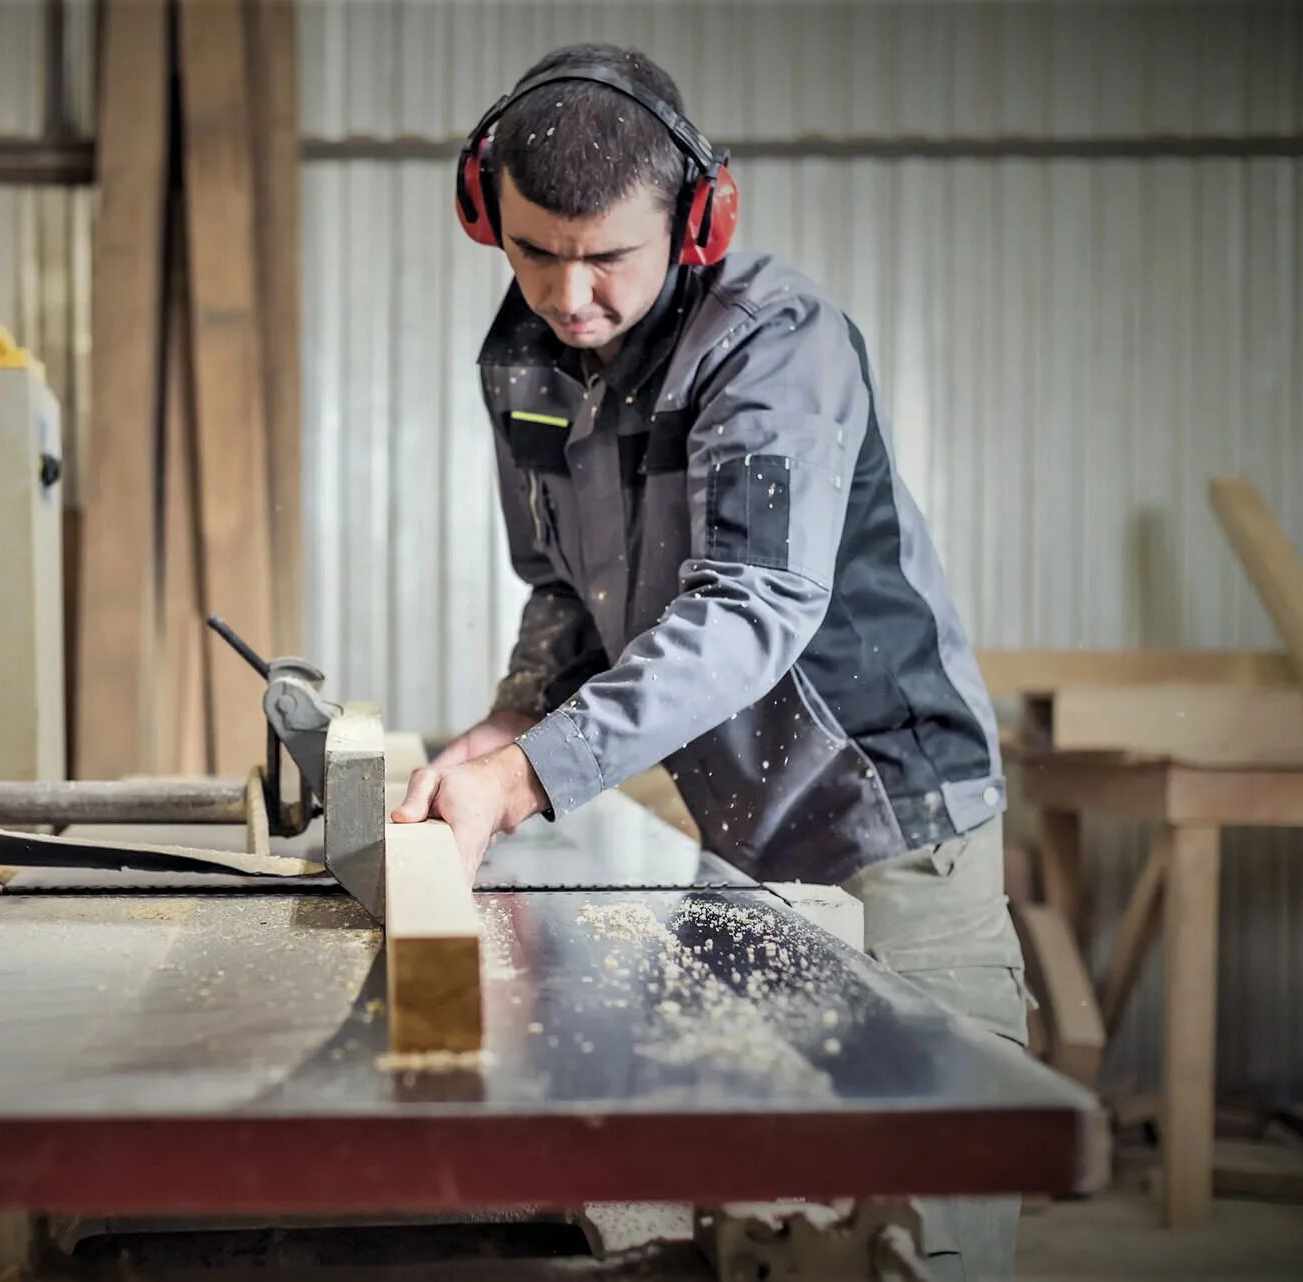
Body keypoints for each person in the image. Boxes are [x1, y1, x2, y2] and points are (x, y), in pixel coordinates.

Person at [389, 43, 1030, 1281]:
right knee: (769, 1213)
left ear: (694, 221)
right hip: (744, 836)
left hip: (893, 821)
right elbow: (565, 593)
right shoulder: (525, 359)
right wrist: (506, 721)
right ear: (489, 213)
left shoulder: (775, 347)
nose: (569, 296)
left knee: (920, 1227)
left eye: (606, 259)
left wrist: (525, 779)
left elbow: (751, 606)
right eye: (534, 251)